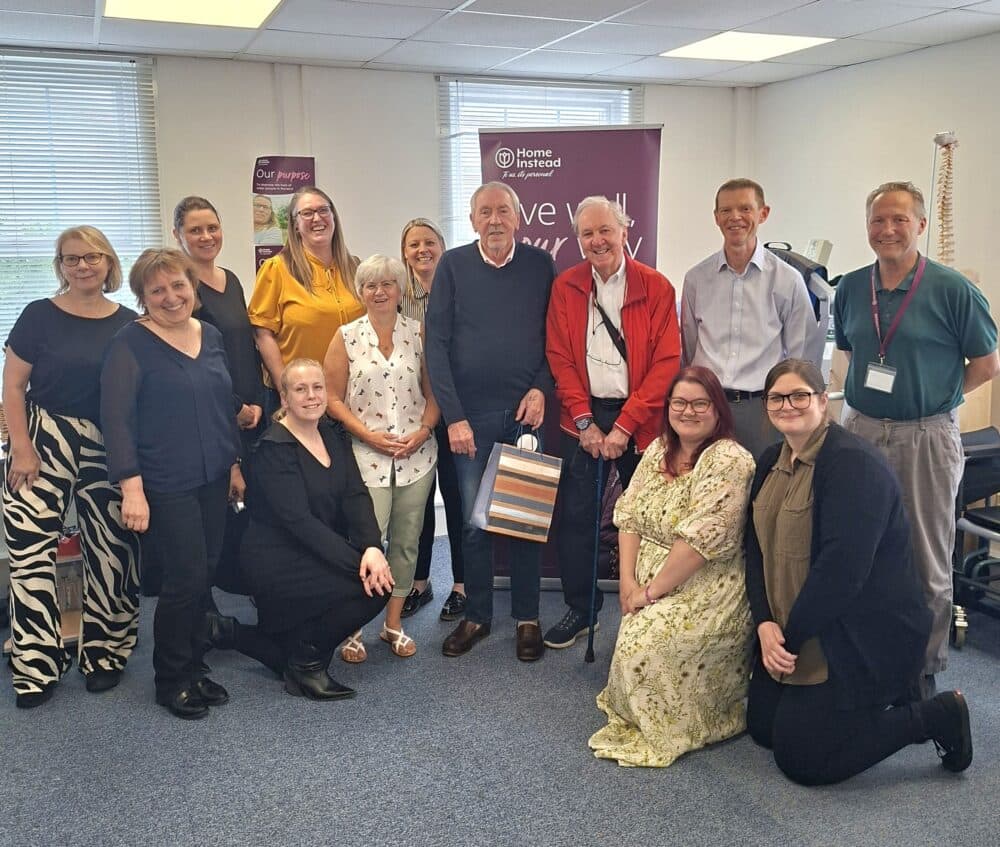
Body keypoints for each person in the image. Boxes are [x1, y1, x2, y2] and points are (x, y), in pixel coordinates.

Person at [744, 358, 973, 785]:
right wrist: (764, 624)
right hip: (798, 625)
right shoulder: (771, 460)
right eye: (777, 397)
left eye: (799, 396)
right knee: (763, 727)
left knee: (802, 760)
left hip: (859, 633)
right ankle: (854, 708)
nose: (787, 405)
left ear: (822, 401)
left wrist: (787, 639)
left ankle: (934, 715)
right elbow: (754, 550)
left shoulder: (852, 465)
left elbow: (841, 574)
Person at [834, 181, 999, 697]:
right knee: (858, 548)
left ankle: (921, 671)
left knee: (925, 558)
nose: (887, 229)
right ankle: (866, 658)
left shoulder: (952, 290)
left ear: (921, 225)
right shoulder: (851, 287)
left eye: (899, 219)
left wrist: (940, 396)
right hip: (861, 430)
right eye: (878, 220)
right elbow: (850, 350)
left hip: (926, 435)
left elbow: (987, 363)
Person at [101, 248, 245, 720]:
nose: (170, 297)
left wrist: (233, 466)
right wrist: (131, 488)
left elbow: (222, 406)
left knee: (206, 573)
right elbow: (117, 421)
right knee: (184, 578)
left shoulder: (211, 335)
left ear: (192, 286)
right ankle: (171, 678)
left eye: (178, 285)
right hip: (165, 481)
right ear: (142, 297)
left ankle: (195, 666)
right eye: (157, 290)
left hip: (213, 475)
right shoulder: (129, 343)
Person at [588, 366, 754, 767]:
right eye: (679, 402)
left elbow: (699, 544)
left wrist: (648, 593)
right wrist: (627, 583)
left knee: (642, 649)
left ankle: (702, 717)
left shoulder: (730, 460)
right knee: (636, 645)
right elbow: (629, 518)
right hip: (648, 582)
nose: (688, 411)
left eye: (700, 403)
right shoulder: (659, 449)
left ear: (718, 409)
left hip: (706, 583)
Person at [2, 226, 140, 708]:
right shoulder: (38, 315)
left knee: (113, 551)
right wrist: (21, 446)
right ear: (60, 266)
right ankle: (35, 664)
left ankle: (105, 653)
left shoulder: (130, 324)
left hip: (108, 439)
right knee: (30, 551)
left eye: (92, 256)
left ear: (109, 262)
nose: (82, 266)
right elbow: (13, 386)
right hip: (42, 437)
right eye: (71, 258)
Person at [425, 181, 556, 661]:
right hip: (471, 420)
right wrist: (454, 417)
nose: (494, 219)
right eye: (485, 212)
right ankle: (477, 615)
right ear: (472, 220)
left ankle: (527, 618)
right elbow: (436, 344)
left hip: (526, 417)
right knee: (473, 524)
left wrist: (542, 387)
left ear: (518, 218)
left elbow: (556, 336)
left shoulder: (541, 265)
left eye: (503, 210)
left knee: (524, 522)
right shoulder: (452, 266)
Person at [208, 359, 393, 700]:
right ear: (284, 397)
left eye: (317, 387)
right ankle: (307, 664)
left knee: (372, 577)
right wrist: (358, 563)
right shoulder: (273, 448)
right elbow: (299, 523)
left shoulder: (332, 435)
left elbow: (355, 494)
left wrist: (372, 546)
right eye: (300, 389)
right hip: (276, 560)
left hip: (313, 549)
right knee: (373, 587)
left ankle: (236, 635)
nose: (311, 396)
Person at [544, 195, 680, 649]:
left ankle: (648, 607)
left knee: (647, 519)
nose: (597, 240)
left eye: (606, 230)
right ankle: (581, 610)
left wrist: (624, 426)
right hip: (582, 418)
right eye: (588, 233)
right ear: (578, 239)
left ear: (624, 231)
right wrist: (586, 423)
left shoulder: (656, 287)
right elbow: (560, 357)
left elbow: (666, 363)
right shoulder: (566, 286)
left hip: (640, 419)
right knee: (576, 519)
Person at [325, 255, 439, 661]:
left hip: (417, 457)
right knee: (364, 543)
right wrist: (367, 435)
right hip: (365, 457)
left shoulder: (419, 333)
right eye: (370, 285)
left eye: (388, 283)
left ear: (401, 290)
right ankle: (353, 628)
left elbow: (435, 392)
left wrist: (424, 431)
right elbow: (332, 398)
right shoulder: (346, 336)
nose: (379, 292)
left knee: (406, 543)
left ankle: (393, 624)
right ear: (361, 292)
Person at [681, 178, 814, 458]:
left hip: (762, 410)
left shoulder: (788, 281)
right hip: (706, 406)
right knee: (703, 481)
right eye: (726, 210)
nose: (735, 217)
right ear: (716, 217)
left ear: (763, 213)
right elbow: (689, 347)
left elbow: (800, 359)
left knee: (762, 483)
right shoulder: (696, 279)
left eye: (745, 209)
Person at [173, 195, 265, 594]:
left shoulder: (232, 280)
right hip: (215, 415)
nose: (206, 236)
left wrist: (257, 402)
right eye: (195, 230)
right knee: (218, 512)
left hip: (252, 411)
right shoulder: (182, 291)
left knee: (249, 506)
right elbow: (194, 363)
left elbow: (244, 347)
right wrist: (235, 408)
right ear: (178, 235)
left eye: (212, 227)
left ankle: (246, 587)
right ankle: (209, 608)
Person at [398, 217, 466, 621]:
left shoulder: (459, 290)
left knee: (457, 498)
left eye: (429, 242)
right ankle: (419, 583)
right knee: (418, 502)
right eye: (413, 245)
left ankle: (461, 585)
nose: (422, 250)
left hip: (454, 409)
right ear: (404, 253)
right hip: (413, 413)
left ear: (442, 247)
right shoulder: (398, 298)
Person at [248, 186, 363, 412]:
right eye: (307, 213)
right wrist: (286, 390)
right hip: (300, 399)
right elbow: (262, 334)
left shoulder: (355, 268)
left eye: (323, 210)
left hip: (352, 395)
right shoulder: (277, 269)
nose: (317, 218)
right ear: (295, 225)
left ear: (333, 217)